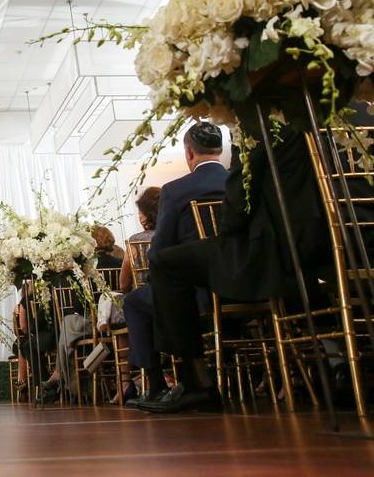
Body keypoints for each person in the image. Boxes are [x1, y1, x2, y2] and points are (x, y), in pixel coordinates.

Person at [141, 120, 346, 413]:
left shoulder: (261, 124)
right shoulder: (332, 121)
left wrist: (226, 227)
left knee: (163, 263)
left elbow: (238, 207)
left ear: (189, 153)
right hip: (338, 242)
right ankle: (339, 361)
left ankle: (197, 381)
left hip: (275, 250)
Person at [121, 122, 228, 410]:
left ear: (189, 152)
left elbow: (160, 248)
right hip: (239, 280)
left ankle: (156, 385)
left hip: (192, 291)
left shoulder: (177, 189)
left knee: (134, 301)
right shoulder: (237, 181)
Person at [41, 225, 123, 399]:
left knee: (69, 321)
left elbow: (81, 304)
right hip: (118, 321)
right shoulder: (120, 264)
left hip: (95, 322)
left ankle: (60, 374)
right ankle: (60, 373)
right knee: (69, 325)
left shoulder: (88, 269)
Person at [95, 187, 161, 403]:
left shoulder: (135, 242)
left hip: (145, 303)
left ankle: (127, 380)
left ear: (144, 216)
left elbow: (124, 284)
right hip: (177, 301)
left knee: (123, 312)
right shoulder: (171, 234)